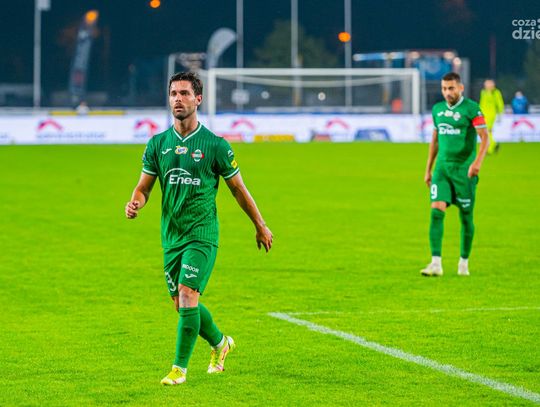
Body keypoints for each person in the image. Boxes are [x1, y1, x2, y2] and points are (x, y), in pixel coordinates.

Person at [125, 72, 273, 385]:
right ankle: (221, 344)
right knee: (181, 304)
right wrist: (135, 202)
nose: (177, 99)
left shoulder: (215, 146)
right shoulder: (157, 144)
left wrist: (260, 225)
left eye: (184, 93)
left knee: (187, 293)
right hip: (171, 236)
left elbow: (238, 189)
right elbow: (144, 188)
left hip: (202, 234)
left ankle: (179, 369)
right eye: (173, 94)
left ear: (198, 99)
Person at [421, 72, 489, 277]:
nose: (447, 92)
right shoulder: (438, 110)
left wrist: (477, 163)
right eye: (444, 88)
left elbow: (485, 137)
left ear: (460, 88)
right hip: (442, 169)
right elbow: (435, 140)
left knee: (466, 217)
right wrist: (428, 168)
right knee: (436, 211)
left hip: (464, 171)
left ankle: (463, 263)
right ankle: (436, 263)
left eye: (451, 88)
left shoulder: (472, 109)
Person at [479, 79, 504, 154]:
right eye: (486, 84)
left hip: (491, 115)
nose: (486, 86)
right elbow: (481, 103)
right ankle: (494, 144)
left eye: (488, 84)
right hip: (483, 114)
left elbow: (499, 103)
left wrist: (500, 113)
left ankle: (490, 149)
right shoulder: (483, 92)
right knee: (485, 131)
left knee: (487, 131)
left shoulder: (496, 93)